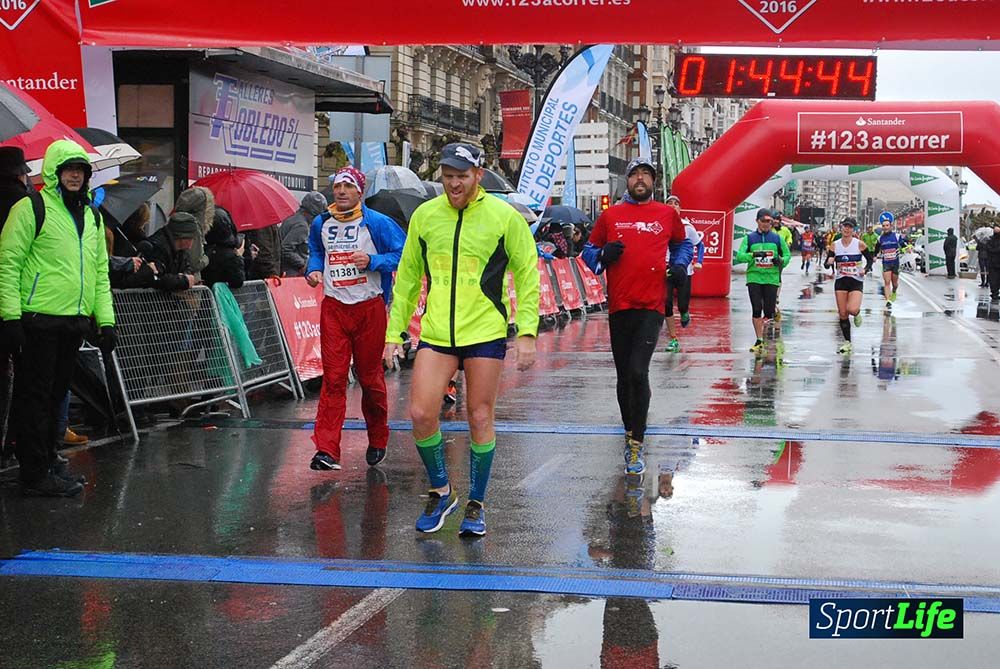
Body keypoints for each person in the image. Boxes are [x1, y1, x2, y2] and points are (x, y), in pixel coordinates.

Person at [383, 143, 539, 537]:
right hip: (437, 332)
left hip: (484, 331)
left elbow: (527, 273)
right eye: (448, 175)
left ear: (478, 176)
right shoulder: (426, 216)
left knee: (479, 417)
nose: (454, 183)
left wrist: (527, 331)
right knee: (420, 413)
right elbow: (407, 278)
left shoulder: (504, 217)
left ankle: (476, 504)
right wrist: (393, 333)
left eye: (462, 176)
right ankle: (442, 491)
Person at [0, 140, 115, 497]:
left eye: (80, 170)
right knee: (35, 399)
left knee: (55, 398)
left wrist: (106, 321)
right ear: (54, 172)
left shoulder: (92, 217)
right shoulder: (30, 208)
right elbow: (8, 263)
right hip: (37, 321)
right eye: (69, 170)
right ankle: (34, 474)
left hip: (72, 322)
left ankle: (48, 462)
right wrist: (10, 317)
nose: (75, 176)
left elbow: (99, 273)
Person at [583, 158, 691, 475]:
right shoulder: (610, 216)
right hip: (620, 305)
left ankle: (636, 443)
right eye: (635, 174)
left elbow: (683, 245)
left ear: (653, 181)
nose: (640, 179)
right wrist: (602, 255)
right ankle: (629, 429)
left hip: (651, 306)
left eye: (646, 174)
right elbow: (588, 252)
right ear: (627, 181)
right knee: (623, 376)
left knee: (637, 370)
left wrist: (680, 265)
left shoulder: (667, 214)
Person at [306, 166, 406, 472]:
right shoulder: (321, 222)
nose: (341, 191)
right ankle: (326, 450)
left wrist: (373, 260)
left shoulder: (377, 223)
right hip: (334, 308)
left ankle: (378, 437)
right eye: (338, 186)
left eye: (348, 186)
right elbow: (315, 250)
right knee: (334, 378)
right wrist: (313, 269)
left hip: (369, 307)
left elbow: (404, 254)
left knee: (369, 378)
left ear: (359, 192)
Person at [734, 208, 790, 354]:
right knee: (757, 308)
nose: (766, 224)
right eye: (763, 221)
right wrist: (753, 255)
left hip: (771, 278)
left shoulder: (777, 239)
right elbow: (739, 256)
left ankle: (774, 311)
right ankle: (759, 340)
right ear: (757, 221)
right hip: (754, 277)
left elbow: (787, 255)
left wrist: (780, 260)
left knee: (769, 311)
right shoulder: (749, 238)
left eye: (769, 221)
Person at [663, 194, 703, 352]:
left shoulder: (687, 226)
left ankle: (685, 312)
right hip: (666, 269)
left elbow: (700, 245)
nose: (673, 206)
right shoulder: (660, 225)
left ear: (680, 208)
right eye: (669, 203)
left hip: (684, 271)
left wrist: (699, 261)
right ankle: (673, 338)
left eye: (676, 204)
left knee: (682, 305)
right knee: (666, 303)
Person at [825, 217, 867, 354]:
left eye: (850, 227)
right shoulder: (835, 245)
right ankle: (847, 342)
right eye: (845, 226)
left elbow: (870, 259)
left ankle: (857, 313)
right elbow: (827, 263)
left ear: (853, 230)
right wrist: (829, 262)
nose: (847, 229)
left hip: (855, 281)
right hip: (841, 281)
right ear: (841, 227)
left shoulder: (859, 244)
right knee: (842, 313)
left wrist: (865, 269)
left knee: (852, 309)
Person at [142, 212, 200, 292]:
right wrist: (181, 281)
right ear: (183, 237)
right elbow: (156, 278)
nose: (193, 242)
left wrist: (186, 275)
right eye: (192, 238)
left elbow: (187, 267)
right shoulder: (158, 248)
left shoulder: (180, 251)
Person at [281, 191, 328, 277]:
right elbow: (286, 249)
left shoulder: (292, 218)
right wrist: (302, 264)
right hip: (293, 272)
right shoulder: (301, 226)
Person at [172, 186, 214, 281]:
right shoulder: (193, 228)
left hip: (177, 279)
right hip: (190, 281)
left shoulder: (174, 223)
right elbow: (195, 263)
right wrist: (207, 257)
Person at [202, 207, 246, 289]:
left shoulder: (204, 250)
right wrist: (238, 257)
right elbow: (237, 281)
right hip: (222, 295)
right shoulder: (230, 255)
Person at [874, 223, 907, 309]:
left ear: (890, 226)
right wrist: (874, 256)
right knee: (887, 282)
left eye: (887, 225)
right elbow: (876, 249)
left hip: (895, 263)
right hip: (886, 263)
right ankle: (888, 300)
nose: (885, 227)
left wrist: (907, 249)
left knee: (894, 283)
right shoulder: (880, 238)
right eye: (883, 226)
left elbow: (903, 245)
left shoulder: (896, 236)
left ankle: (894, 291)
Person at [986, 223, 1000, 301]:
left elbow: (989, 249)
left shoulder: (989, 240)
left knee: (993, 279)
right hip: (994, 263)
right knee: (995, 279)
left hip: (992, 263)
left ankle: (995, 292)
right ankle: (995, 292)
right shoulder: (990, 241)